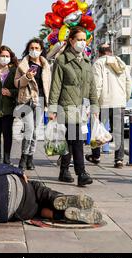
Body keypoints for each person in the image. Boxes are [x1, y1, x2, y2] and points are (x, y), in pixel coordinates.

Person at [48, 26, 99, 186]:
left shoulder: (86, 61)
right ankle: (81, 173)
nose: (82, 43)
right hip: (66, 106)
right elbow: (55, 86)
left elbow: (91, 85)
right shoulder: (61, 60)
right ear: (71, 40)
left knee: (70, 141)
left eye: (84, 40)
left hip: (82, 108)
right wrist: (52, 109)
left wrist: (95, 106)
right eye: (79, 39)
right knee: (77, 139)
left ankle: (64, 171)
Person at [85, 43, 132, 168]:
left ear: (99, 53)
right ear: (110, 52)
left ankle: (96, 156)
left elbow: (97, 85)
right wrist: (125, 99)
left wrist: (94, 104)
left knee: (96, 129)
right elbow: (129, 83)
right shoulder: (121, 63)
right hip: (119, 102)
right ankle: (119, 160)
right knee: (119, 132)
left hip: (103, 103)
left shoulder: (98, 63)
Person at [14, 39, 51, 170]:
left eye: (37, 47)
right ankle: (23, 158)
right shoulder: (22, 65)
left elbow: (48, 86)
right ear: (28, 49)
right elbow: (17, 83)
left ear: (41, 49)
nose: (34, 50)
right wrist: (27, 77)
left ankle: (30, 157)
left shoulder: (46, 65)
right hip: (27, 101)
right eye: (31, 48)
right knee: (29, 129)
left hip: (41, 101)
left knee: (35, 131)